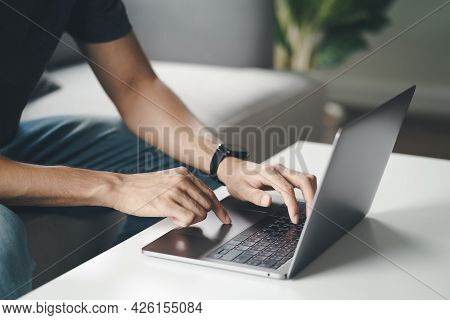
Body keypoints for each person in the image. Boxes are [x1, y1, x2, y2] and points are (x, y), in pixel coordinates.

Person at [0, 0, 317, 299]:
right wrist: (115, 187)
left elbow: (135, 85)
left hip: (12, 141)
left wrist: (224, 162)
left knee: (186, 173)